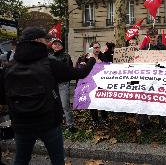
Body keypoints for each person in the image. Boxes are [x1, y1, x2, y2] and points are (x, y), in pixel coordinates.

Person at [0, 27, 96, 165]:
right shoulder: (49, 64)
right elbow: (80, 74)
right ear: (37, 41)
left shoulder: (8, 67)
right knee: (57, 160)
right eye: (46, 40)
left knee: (21, 159)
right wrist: (92, 60)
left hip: (21, 124)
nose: (48, 43)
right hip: (49, 123)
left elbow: (3, 97)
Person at [49, 39, 77, 132]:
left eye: (58, 44)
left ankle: (70, 124)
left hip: (63, 83)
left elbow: (68, 69)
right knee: (54, 104)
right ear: (52, 46)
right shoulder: (49, 56)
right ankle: (57, 123)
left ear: (61, 46)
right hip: (52, 84)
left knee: (65, 105)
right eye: (54, 44)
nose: (56, 46)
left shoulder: (66, 56)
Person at [90, 41, 108, 126]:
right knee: (93, 101)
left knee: (103, 101)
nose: (97, 49)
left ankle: (104, 118)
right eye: (95, 48)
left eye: (98, 47)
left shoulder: (103, 56)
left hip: (101, 82)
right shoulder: (87, 57)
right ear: (91, 48)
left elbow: (106, 66)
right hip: (91, 83)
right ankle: (95, 119)